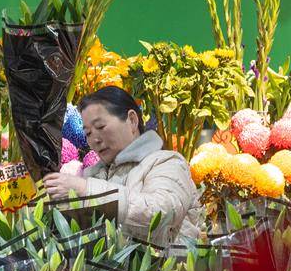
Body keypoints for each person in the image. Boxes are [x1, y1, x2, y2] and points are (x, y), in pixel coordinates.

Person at [43, 86, 202, 245]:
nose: (94, 140)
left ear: (132, 120)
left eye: (100, 127)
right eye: (88, 133)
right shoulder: (95, 174)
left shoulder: (167, 162)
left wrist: (87, 190)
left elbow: (162, 212)